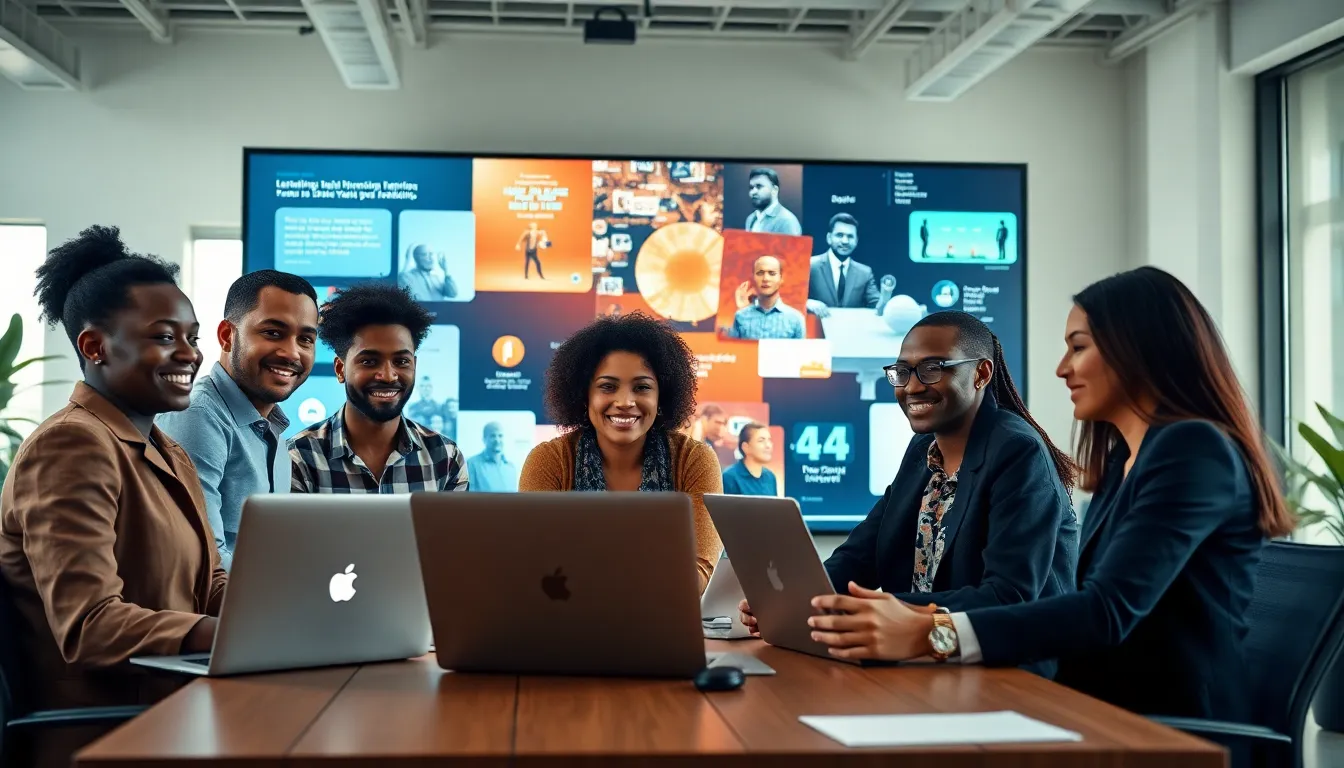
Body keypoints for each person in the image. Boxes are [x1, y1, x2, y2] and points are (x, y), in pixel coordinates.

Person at [799, 267, 1294, 723]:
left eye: (1078, 347)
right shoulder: (1124, 463)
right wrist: (814, 603)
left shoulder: (1192, 450)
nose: (1062, 368)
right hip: (1092, 707)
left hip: (1170, 730)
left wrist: (929, 633)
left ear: (1141, 348)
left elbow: (1104, 612)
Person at [0, 226, 226, 767]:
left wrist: (283, 618)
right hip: (107, 732)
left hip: (179, 712)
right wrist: (234, 635)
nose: (189, 354)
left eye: (193, 338)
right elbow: (91, 625)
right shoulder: (70, 445)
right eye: (165, 337)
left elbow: (208, 585)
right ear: (95, 346)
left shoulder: (169, 452)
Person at [739, 311, 1078, 666]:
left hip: (1007, 670)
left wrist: (882, 611)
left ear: (981, 374)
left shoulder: (1017, 450)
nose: (912, 387)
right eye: (903, 371)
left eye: (932, 368)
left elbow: (1008, 596)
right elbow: (861, 554)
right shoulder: (923, 450)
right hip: (924, 662)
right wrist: (800, 600)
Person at [519, 312, 723, 592]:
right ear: (584, 395)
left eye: (642, 387)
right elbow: (535, 568)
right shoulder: (550, 461)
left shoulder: (693, 460)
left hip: (663, 618)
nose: (625, 401)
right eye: (607, 387)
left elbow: (697, 576)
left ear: (661, 396)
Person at [156, 270, 319, 570]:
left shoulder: (274, 430)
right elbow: (203, 560)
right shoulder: (198, 415)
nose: (292, 353)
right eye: (273, 333)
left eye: (306, 339)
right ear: (227, 336)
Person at [289, 283, 468, 493]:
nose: (388, 376)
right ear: (340, 369)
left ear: (415, 365)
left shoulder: (446, 458)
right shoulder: (299, 458)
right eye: (369, 361)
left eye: (401, 362)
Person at [807, 214, 879, 316]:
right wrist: (807, 302)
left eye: (850, 236)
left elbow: (877, 307)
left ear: (856, 241)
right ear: (829, 238)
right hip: (817, 325)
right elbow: (790, 299)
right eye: (840, 235)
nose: (845, 241)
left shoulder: (865, 273)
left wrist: (886, 292)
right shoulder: (810, 266)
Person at [726, 256, 805, 340]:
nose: (765, 279)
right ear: (753, 277)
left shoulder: (795, 319)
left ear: (781, 278)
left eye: (772, 273)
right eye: (760, 273)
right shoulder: (740, 316)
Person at [721, 422, 777, 496]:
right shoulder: (730, 477)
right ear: (745, 447)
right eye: (761, 440)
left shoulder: (770, 477)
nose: (768, 445)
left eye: (769, 440)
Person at [743, 167, 802, 235]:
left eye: (759, 186)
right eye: (751, 187)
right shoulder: (750, 219)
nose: (753, 192)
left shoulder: (787, 221)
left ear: (775, 190)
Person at [466, 421, 520, 492]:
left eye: (500, 436)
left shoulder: (511, 467)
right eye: (493, 436)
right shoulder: (472, 464)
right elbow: (468, 495)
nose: (497, 440)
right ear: (484, 439)